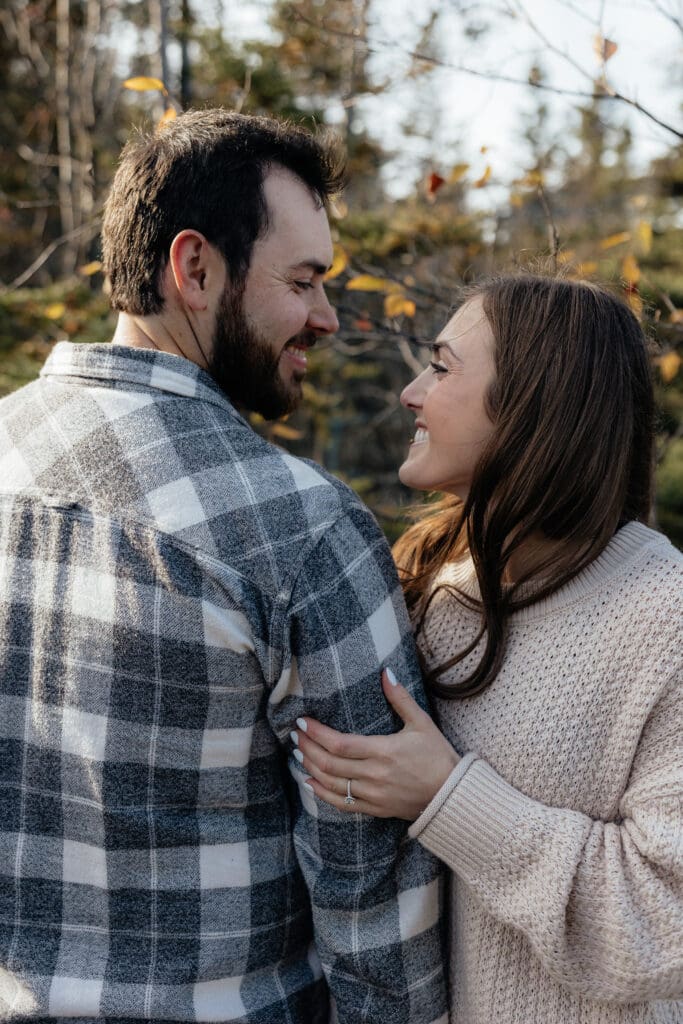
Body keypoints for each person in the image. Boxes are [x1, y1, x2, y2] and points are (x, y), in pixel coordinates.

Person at [0, 110, 447, 1024]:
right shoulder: (301, 531)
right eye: (304, 281)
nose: (326, 317)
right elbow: (373, 887)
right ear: (194, 269)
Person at [292, 274, 683, 1024]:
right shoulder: (426, 579)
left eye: (440, 368)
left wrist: (450, 798)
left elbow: (665, 922)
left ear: (536, 403)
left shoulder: (662, 614)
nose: (410, 392)